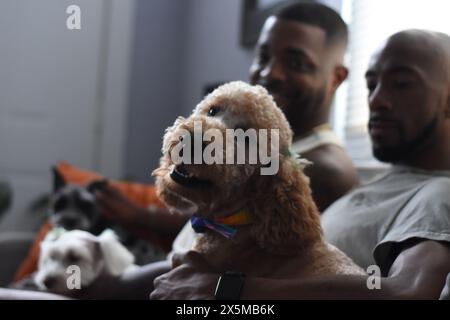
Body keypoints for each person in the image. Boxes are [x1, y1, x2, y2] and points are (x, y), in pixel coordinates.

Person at [149, 29, 450, 300]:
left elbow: (407, 290)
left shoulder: (438, 193)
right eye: (371, 85)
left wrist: (229, 289)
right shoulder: (377, 187)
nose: (377, 99)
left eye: (401, 84)